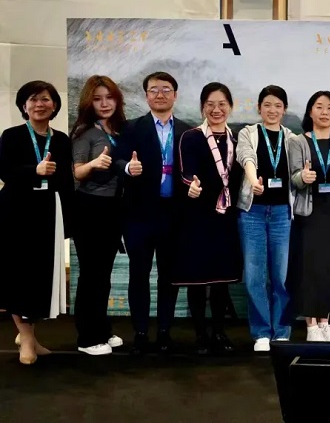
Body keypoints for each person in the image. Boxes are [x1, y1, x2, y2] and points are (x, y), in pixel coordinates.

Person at [113, 71, 191, 355]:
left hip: (174, 214)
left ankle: (165, 331)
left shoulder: (187, 131)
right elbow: (116, 159)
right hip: (139, 214)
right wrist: (127, 167)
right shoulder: (132, 128)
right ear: (146, 96)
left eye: (166, 89)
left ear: (175, 95)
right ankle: (141, 332)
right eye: (154, 90)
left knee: (169, 276)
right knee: (139, 274)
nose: (160, 94)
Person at [0, 80, 74, 365]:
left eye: (45, 99)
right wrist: (35, 170)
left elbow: (66, 182)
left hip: (48, 212)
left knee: (41, 277)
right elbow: (4, 170)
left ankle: (29, 334)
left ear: (54, 105)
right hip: (16, 212)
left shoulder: (62, 140)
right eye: (33, 99)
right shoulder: (12, 135)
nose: (39, 104)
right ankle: (26, 338)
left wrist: (68, 221)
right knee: (18, 276)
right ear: (24, 105)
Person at [174, 82, 244, 355]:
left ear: (230, 107)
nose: (216, 109)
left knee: (221, 280)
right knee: (198, 278)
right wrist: (190, 185)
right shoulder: (191, 137)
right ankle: (201, 334)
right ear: (202, 107)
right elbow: (185, 172)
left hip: (225, 218)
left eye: (222, 104)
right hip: (198, 217)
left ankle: (219, 332)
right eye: (210, 104)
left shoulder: (236, 140)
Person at [70, 75, 127, 355]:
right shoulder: (85, 132)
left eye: (109, 97)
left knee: (103, 273)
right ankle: (87, 337)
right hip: (89, 207)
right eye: (97, 99)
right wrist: (93, 164)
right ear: (88, 102)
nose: (104, 103)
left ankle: (101, 328)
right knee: (91, 273)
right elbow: (76, 172)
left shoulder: (120, 130)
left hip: (113, 208)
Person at [236, 85, 296, 352]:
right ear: (259, 108)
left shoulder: (292, 138)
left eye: (278, 106)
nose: (273, 110)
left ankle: (281, 331)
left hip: (282, 213)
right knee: (255, 276)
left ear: (284, 110)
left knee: (281, 276)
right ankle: (261, 332)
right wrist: (253, 181)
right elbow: (246, 157)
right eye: (267, 105)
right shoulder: (248, 133)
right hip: (253, 213)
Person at [288, 91, 330, 342]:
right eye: (319, 107)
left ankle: (325, 322)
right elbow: (293, 177)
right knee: (310, 266)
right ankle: (311, 324)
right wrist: (303, 177)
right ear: (310, 112)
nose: (325, 112)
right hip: (310, 211)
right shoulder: (298, 141)